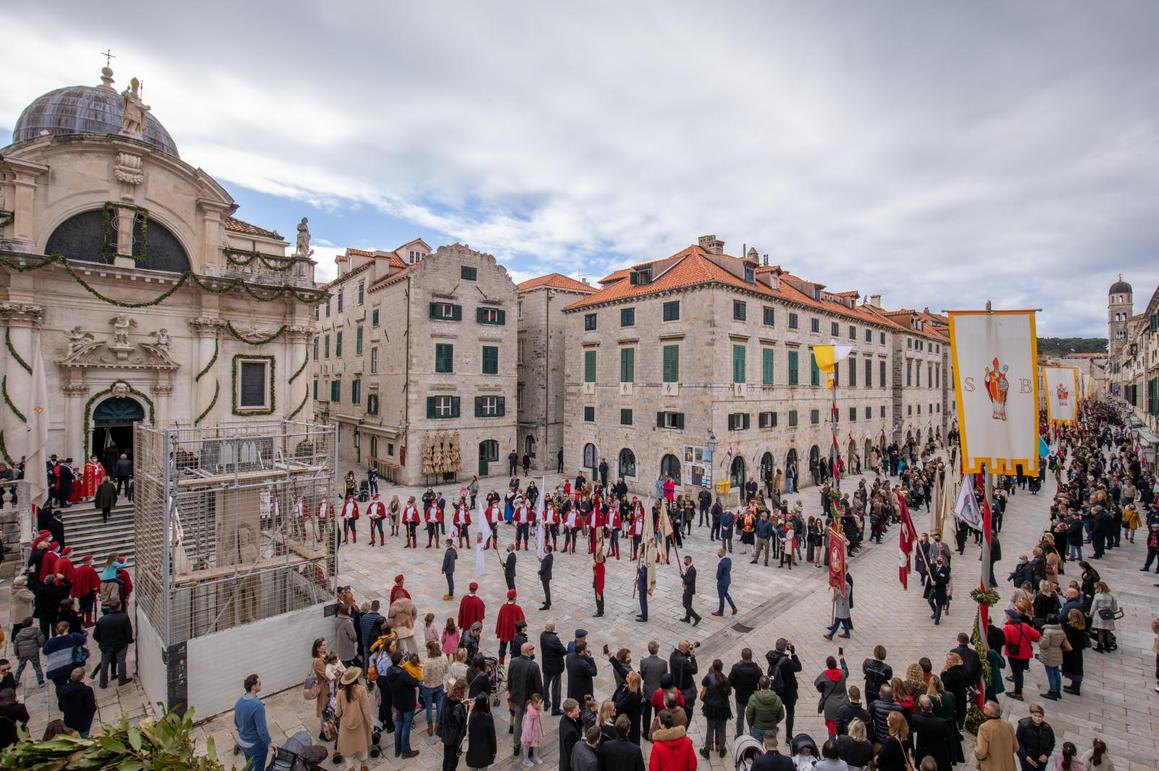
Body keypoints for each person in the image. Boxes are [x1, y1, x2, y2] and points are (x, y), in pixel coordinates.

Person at [508, 641, 544, 758]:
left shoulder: (513, 662)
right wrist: (540, 699)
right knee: (531, 725)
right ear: (529, 651)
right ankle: (529, 748)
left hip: (517, 698)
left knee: (518, 722)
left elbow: (510, 680)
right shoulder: (534, 666)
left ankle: (516, 747)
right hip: (530, 701)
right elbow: (538, 686)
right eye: (532, 649)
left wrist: (511, 693)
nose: (533, 650)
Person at [335, 666, 374, 770]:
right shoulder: (361, 690)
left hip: (346, 726)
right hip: (360, 724)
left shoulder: (339, 693)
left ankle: (351, 768)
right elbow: (366, 709)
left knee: (348, 751)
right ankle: (363, 767)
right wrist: (370, 723)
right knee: (362, 747)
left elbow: (337, 713)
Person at [386, 651, 422, 759]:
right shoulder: (403, 675)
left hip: (397, 701)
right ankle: (406, 751)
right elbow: (416, 682)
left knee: (398, 725)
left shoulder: (389, 671)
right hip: (407, 703)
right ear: (400, 661)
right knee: (406, 726)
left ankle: (398, 749)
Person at [234, 673, 271, 771]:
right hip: (255, 745)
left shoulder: (238, 702)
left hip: (242, 742)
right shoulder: (257, 706)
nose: (261, 684)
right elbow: (262, 730)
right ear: (254, 686)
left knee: (249, 766)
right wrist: (270, 742)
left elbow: (236, 722)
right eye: (259, 683)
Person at [93, 598, 133, 688]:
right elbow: (128, 632)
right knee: (121, 662)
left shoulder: (102, 620)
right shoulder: (124, 617)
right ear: (119, 607)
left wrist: (102, 641)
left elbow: (95, 635)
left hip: (106, 645)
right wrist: (129, 640)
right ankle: (122, 680)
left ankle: (103, 683)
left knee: (104, 663)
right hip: (120, 644)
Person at [766, 638, 802, 737]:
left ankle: (771, 729)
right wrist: (793, 653)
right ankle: (789, 736)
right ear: (785, 648)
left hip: (776, 688)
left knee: (774, 710)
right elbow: (798, 667)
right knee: (790, 712)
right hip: (788, 690)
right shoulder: (786, 661)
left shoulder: (770, 656)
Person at [1003, 608, 1041, 700]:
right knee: (1019, 672)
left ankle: (1017, 692)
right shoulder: (1024, 625)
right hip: (1025, 653)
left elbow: (1006, 641)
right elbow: (1037, 635)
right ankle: (1019, 689)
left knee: (1017, 673)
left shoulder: (1008, 628)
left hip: (1014, 654)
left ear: (1009, 618)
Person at [699, 658, 732, 759]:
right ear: (721, 668)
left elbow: (703, 683)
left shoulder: (709, 677)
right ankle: (722, 749)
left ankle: (707, 750)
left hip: (711, 708)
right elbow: (729, 692)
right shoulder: (726, 679)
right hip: (723, 708)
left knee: (710, 729)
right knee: (722, 729)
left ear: (713, 667)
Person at [910, 695, 951, 771]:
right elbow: (947, 736)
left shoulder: (915, 719)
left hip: (923, 753)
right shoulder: (942, 722)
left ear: (920, 706)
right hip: (939, 752)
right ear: (932, 705)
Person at [728, 647, 763, 737]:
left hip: (740, 696)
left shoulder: (736, 668)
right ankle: (753, 735)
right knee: (752, 717)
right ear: (751, 656)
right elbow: (761, 682)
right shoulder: (757, 670)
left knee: (740, 716)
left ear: (742, 656)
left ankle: (739, 735)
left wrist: (736, 687)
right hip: (753, 697)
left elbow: (730, 681)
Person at [438, 678, 469, 771]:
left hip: (446, 734)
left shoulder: (446, 697)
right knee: (452, 763)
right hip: (454, 738)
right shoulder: (459, 707)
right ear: (462, 690)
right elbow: (462, 724)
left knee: (446, 758)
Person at [815, 654, 849, 738]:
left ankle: (831, 747)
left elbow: (818, 685)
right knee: (843, 730)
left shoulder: (824, 675)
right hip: (843, 704)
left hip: (830, 706)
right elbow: (846, 670)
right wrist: (842, 659)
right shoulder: (843, 673)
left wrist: (824, 689)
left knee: (831, 731)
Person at [639, 640, 667, 738]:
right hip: (658, 692)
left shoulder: (643, 662)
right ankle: (656, 732)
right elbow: (664, 677)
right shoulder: (663, 663)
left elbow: (642, 676)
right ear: (657, 650)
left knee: (646, 713)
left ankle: (646, 733)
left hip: (647, 691)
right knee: (658, 713)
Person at [59, 666, 97, 738]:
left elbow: (60, 707)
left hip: (69, 722)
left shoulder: (63, 689)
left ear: (71, 677)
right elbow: (90, 707)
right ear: (82, 677)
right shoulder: (87, 690)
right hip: (83, 723)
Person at [1015, 703, 1055, 771]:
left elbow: (1052, 743)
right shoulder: (1023, 726)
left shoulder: (1047, 728)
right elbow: (1018, 742)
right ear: (1031, 714)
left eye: (1040, 716)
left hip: (1041, 760)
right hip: (1027, 759)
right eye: (1035, 715)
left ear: (1043, 716)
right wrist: (1026, 756)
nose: (1037, 718)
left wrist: (1046, 755)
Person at [669, 641, 699, 730]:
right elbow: (694, 670)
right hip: (684, 689)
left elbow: (682, 657)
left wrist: (687, 653)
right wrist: (692, 656)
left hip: (675, 685)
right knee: (687, 714)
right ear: (684, 649)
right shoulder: (684, 661)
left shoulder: (673, 655)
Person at [745, 676, 785, 742]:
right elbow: (781, 715)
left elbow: (749, 714)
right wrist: (774, 722)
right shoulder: (777, 698)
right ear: (769, 685)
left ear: (759, 685)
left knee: (756, 749)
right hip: (771, 728)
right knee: (770, 748)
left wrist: (751, 724)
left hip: (757, 728)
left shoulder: (753, 698)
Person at [466, 694, 497, 771]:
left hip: (472, 749)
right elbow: (492, 736)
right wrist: (494, 750)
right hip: (485, 750)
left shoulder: (471, 715)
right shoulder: (488, 717)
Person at [614, 671, 645, 745]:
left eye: (628, 676)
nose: (626, 675)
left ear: (631, 682)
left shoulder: (632, 697)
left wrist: (612, 704)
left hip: (630, 723)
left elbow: (619, 707)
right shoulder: (624, 685)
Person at [12, 618, 44, 687]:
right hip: (33, 652)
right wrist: (38, 646)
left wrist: (17, 654)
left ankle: (16, 680)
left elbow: (16, 645)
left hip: (23, 653)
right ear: (32, 623)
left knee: (20, 667)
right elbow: (41, 640)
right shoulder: (36, 631)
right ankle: (40, 681)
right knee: (37, 666)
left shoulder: (19, 634)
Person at [1088, 581, 1119, 653]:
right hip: (1108, 615)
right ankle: (1108, 646)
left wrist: (1091, 614)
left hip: (1100, 615)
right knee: (1108, 632)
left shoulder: (1098, 596)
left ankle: (1100, 646)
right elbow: (1115, 608)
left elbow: (1093, 606)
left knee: (1100, 632)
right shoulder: (1111, 596)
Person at [559, 698, 584, 771]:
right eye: (577, 710)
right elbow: (573, 753)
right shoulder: (571, 732)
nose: (579, 711)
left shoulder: (564, 718)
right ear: (569, 713)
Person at [713, 547, 737, 616]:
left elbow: (718, 575)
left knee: (721, 597)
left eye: (718, 553)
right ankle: (734, 607)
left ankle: (720, 611)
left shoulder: (721, 563)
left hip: (722, 582)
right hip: (727, 580)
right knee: (726, 594)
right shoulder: (729, 560)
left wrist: (718, 578)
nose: (717, 554)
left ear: (721, 554)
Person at [680, 555, 701, 626]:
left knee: (685, 604)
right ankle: (687, 618)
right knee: (688, 604)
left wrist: (682, 576)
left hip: (689, 589)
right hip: (687, 588)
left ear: (689, 561)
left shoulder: (692, 570)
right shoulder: (689, 568)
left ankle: (697, 617)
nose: (684, 562)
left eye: (685, 561)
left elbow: (688, 581)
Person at [539, 543, 554, 610]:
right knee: (547, 590)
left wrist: (539, 572)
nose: (544, 549)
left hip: (545, 576)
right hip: (548, 575)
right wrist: (542, 561)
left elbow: (543, 569)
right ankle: (548, 601)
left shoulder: (546, 559)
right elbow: (546, 564)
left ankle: (547, 605)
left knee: (546, 590)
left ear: (547, 550)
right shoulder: (550, 556)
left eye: (545, 549)